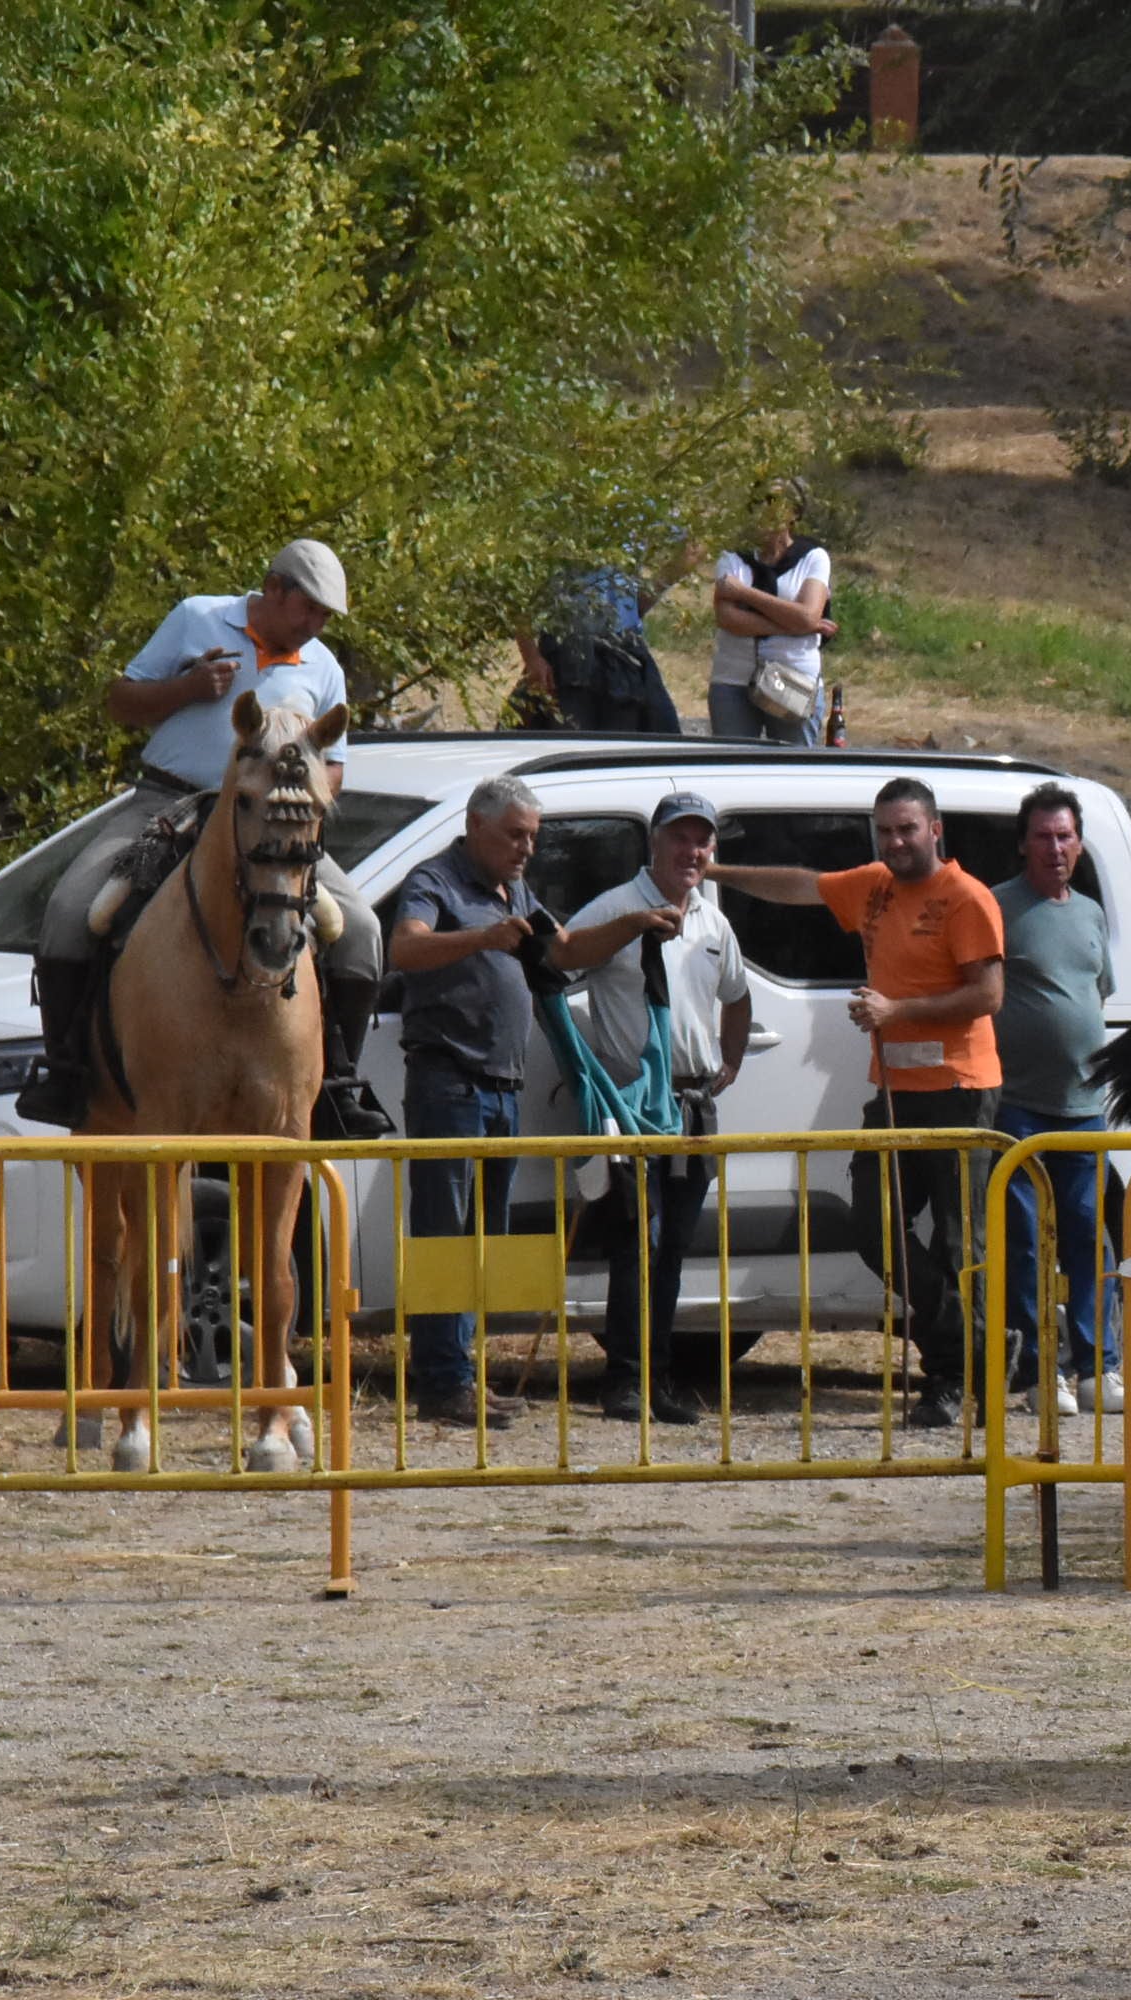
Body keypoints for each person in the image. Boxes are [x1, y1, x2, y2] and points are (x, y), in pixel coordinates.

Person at [19, 538, 391, 1138]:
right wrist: (187, 690)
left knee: (363, 932)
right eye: (308, 609)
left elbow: (335, 767)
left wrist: (296, 799)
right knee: (70, 911)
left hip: (266, 823)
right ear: (273, 589)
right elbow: (120, 702)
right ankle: (66, 1072)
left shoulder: (324, 666)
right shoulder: (197, 617)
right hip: (167, 802)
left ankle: (339, 1083)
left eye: (325, 616)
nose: (316, 625)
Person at [711, 777, 1005, 1430]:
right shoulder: (873, 885)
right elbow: (800, 884)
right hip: (894, 1096)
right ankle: (973, 1342)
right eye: (885, 831)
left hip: (960, 1094)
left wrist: (897, 1010)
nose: (895, 842)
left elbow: (988, 995)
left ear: (935, 830)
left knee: (961, 1244)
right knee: (873, 1228)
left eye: (907, 829)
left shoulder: (965, 898)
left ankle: (954, 1380)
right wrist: (715, 869)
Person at [558, 793, 754, 1424]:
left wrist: (730, 1062)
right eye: (679, 838)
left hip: (694, 1104)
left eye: (702, 841)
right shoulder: (618, 908)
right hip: (637, 1106)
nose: (690, 851)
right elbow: (558, 963)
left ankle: (659, 1378)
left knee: (672, 1250)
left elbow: (738, 996)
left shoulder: (712, 922)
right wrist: (592, 1071)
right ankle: (625, 1381)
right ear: (654, 844)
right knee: (636, 1244)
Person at [387, 776, 566, 1428]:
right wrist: (481, 940)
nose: (526, 849)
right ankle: (440, 1382)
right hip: (451, 1084)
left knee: (481, 1245)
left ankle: (462, 1373)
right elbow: (404, 947)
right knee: (444, 1241)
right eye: (515, 835)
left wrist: (631, 924)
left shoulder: (511, 888)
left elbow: (562, 946)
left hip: (501, 1088)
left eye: (532, 838)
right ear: (475, 826)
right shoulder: (436, 881)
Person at [991, 784, 1118, 1418]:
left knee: (1089, 1239)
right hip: (1016, 1105)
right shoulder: (998, 907)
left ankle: (1098, 1367)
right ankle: (1039, 1374)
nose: (1055, 848)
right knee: (1023, 1243)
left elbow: (1095, 997)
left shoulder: (1092, 913)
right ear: (1023, 844)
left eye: (1065, 836)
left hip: (1084, 1106)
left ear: (1079, 842)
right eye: (1043, 837)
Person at [709, 477, 837, 744]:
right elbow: (728, 619)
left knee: (794, 770)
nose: (764, 512)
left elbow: (808, 615)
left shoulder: (813, 557)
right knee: (731, 770)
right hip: (733, 680)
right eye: (758, 503)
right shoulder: (732, 558)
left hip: (794, 683)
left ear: (793, 514)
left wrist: (743, 593)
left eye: (774, 504)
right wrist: (795, 626)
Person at [516, 559, 690, 735]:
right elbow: (518, 585)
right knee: (571, 746)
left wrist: (678, 567)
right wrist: (531, 656)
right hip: (568, 659)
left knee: (652, 741)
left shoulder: (631, 534)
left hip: (626, 657)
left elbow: (635, 605)